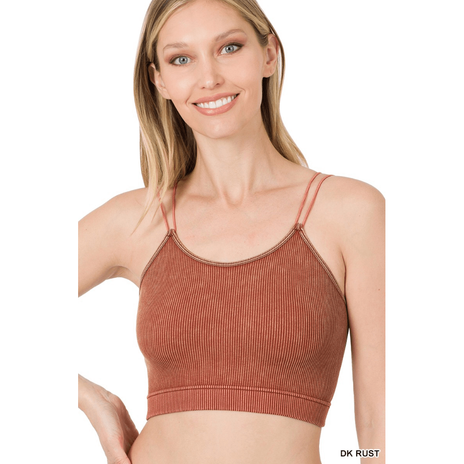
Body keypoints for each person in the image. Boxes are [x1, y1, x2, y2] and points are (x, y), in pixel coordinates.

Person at [78, 0, 385, 463]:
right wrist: (90, 398)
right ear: (159, 81)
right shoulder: (137, 219)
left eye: (229, 48)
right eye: (181, 58)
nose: (209, 78)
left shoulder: (351, 211)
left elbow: (378, 425)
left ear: (269, 54)